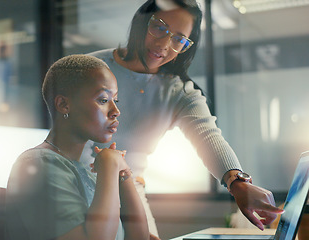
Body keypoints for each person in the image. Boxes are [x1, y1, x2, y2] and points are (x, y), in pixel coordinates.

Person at [81, 0, 284, 237]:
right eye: (159, 28)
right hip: (77, 182)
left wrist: (238, 183)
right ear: (141, 22)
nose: (164, 44)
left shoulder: (178, 91)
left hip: (130, 188)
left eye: (178, 39)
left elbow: (208, 136)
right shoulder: (91, 68)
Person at [6, 54, 150, 240]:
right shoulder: (38, 164)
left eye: (116, 100)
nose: (116, 111)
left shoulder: (87, 173)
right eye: (103, 100)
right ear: (64, 105)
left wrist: (124, 174)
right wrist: (110, 165)